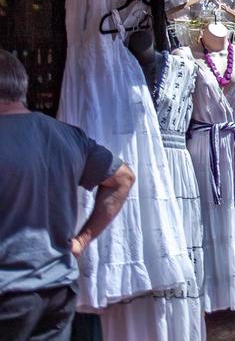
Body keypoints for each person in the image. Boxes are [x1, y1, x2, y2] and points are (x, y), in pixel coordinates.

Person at [0, 48, 136, 340]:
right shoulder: (66, 135)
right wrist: (80, 242)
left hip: (8, 293)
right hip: (58, 291)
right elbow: (123, 178)